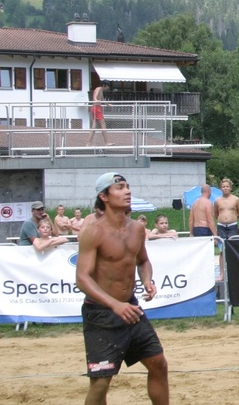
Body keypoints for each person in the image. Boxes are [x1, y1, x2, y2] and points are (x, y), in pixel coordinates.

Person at [76, 172, 168, 404]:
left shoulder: (136, 228)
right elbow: (82, 279)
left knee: (158, 364)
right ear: (103, 196)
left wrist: (147, 280)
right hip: (101, 315)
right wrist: (114, 304)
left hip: (131, 309)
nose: (127, 191)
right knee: (100, 382)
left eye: (127, 186)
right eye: (119, 187)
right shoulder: (93, 231)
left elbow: (143, 261)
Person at [88, 81, 113, 146]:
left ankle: (88, 143)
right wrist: (96, 99)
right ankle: (106, 142)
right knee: (103, 124)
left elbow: (102, 99)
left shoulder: (101, 90)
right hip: (96, 108)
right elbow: (95, 96)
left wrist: (107, 104)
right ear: (104, 85)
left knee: (94, 126)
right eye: (107, 86)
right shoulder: (98, 89)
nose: (107, 88)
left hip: (96, 108)